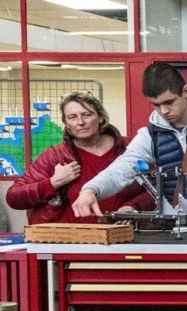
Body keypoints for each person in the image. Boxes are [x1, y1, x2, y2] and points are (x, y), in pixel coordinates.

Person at [72, 63, 187, 230]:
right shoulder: (150, 135)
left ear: (186, 91)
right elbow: (122, 168)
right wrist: (90, 189)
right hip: (180, 234)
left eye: (169, 102)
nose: (164, 111)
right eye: (156, 105)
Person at [8, 92, 152, 224]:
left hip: (126, 239)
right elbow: (14, 197)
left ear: (101, 117)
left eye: (87, 115)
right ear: (66, 123)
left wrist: (133, 207)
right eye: (72, 117)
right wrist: (52, 183)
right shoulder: (56, 156)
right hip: (72, 242)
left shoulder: (130, 149)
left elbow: (157, 190)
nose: (80, 122)